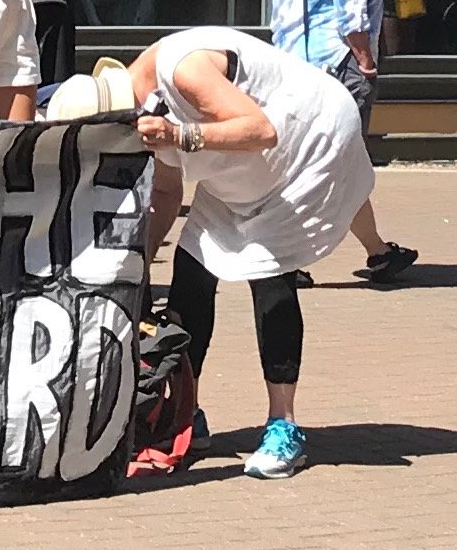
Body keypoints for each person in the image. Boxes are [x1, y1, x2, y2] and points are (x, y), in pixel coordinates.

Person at [110, 25, 377, 479]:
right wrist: (133, 266)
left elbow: (260, 130)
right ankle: (182, 415)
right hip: (244, 162)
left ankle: (284, 427)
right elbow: (167, 195)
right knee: (192, 267)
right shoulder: (149, 105)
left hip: (305, 146)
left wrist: (179, 136)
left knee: (269, 269)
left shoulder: (183, 70)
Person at [263, 0, 412, 282]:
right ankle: (290, 257)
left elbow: (282, 3)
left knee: (331, 161)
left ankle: (377, 250)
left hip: (292, 65)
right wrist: (364, 60)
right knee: (336, 160)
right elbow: (351, 9)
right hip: (338, 64)